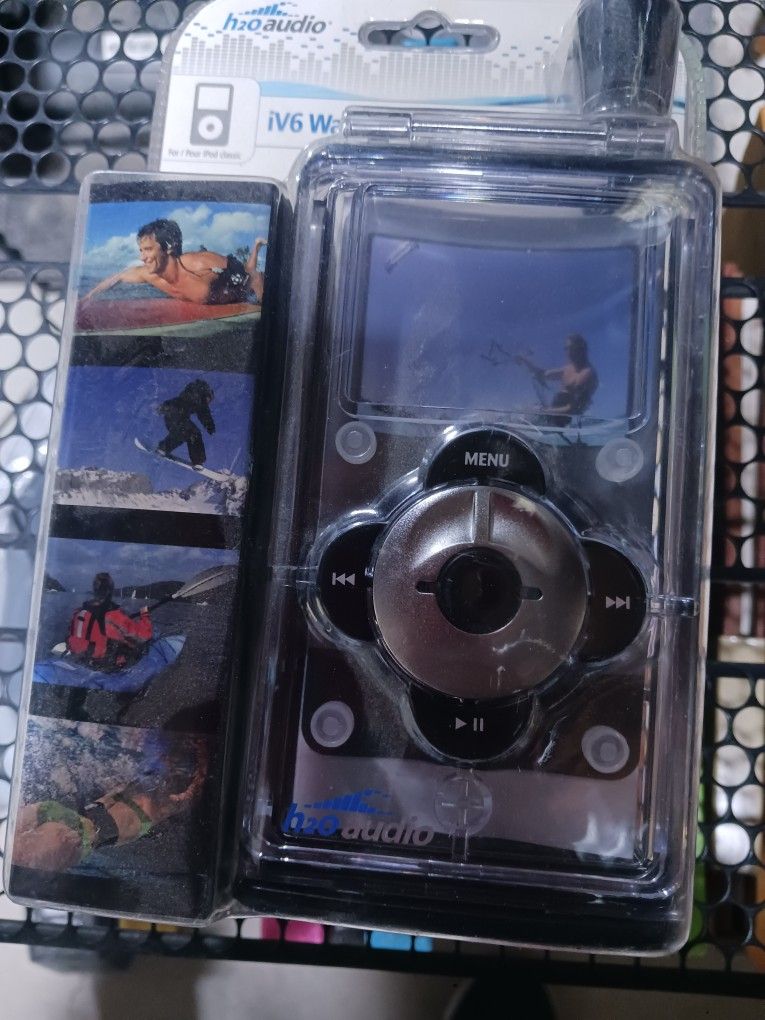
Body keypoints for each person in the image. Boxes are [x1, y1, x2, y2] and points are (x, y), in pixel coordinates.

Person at [82, 218, 267, 305]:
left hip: (240, 291)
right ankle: (257, 246)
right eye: (141, 250)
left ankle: (257, 246)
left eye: (148, 249)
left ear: (168, 247)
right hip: (216, 295)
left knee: (250, 272)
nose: (142, 257)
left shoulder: (200, 264)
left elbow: (249, 277)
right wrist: (86, 299)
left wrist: (261, 301)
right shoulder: (148, 274)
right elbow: (117, 277)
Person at [67, 572, 152, 672]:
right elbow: (144, 635)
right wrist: (145, 614)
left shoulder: (78, 612)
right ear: (110, 591)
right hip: (105, 667)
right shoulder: (113, 616)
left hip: (82, 661)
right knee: (141, 646)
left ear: (95, 590)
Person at [515, 333, 599, 424]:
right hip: (551, 415)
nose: (568, 352)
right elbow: (542, 374)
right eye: (566, 348)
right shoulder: (568, 369)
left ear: (581, 349)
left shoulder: (587, 375)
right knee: (520, 414)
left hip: (563, 422)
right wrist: (524, 360)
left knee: (527, 417)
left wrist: (545, 411)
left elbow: (573, 410)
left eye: (571, 348)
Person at [156, 379, 215, 468]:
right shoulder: (201, 397)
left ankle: (163, 448)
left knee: (182, 434)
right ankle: (198, 461)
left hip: (171, 416)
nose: (208, 402)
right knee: (194, 433)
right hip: (178, 415)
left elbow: (177, 401)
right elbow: (204, 413)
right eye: (209, 400)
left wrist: (163, 408)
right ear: (208, 395)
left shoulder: (191, 391)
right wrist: (210, 426)